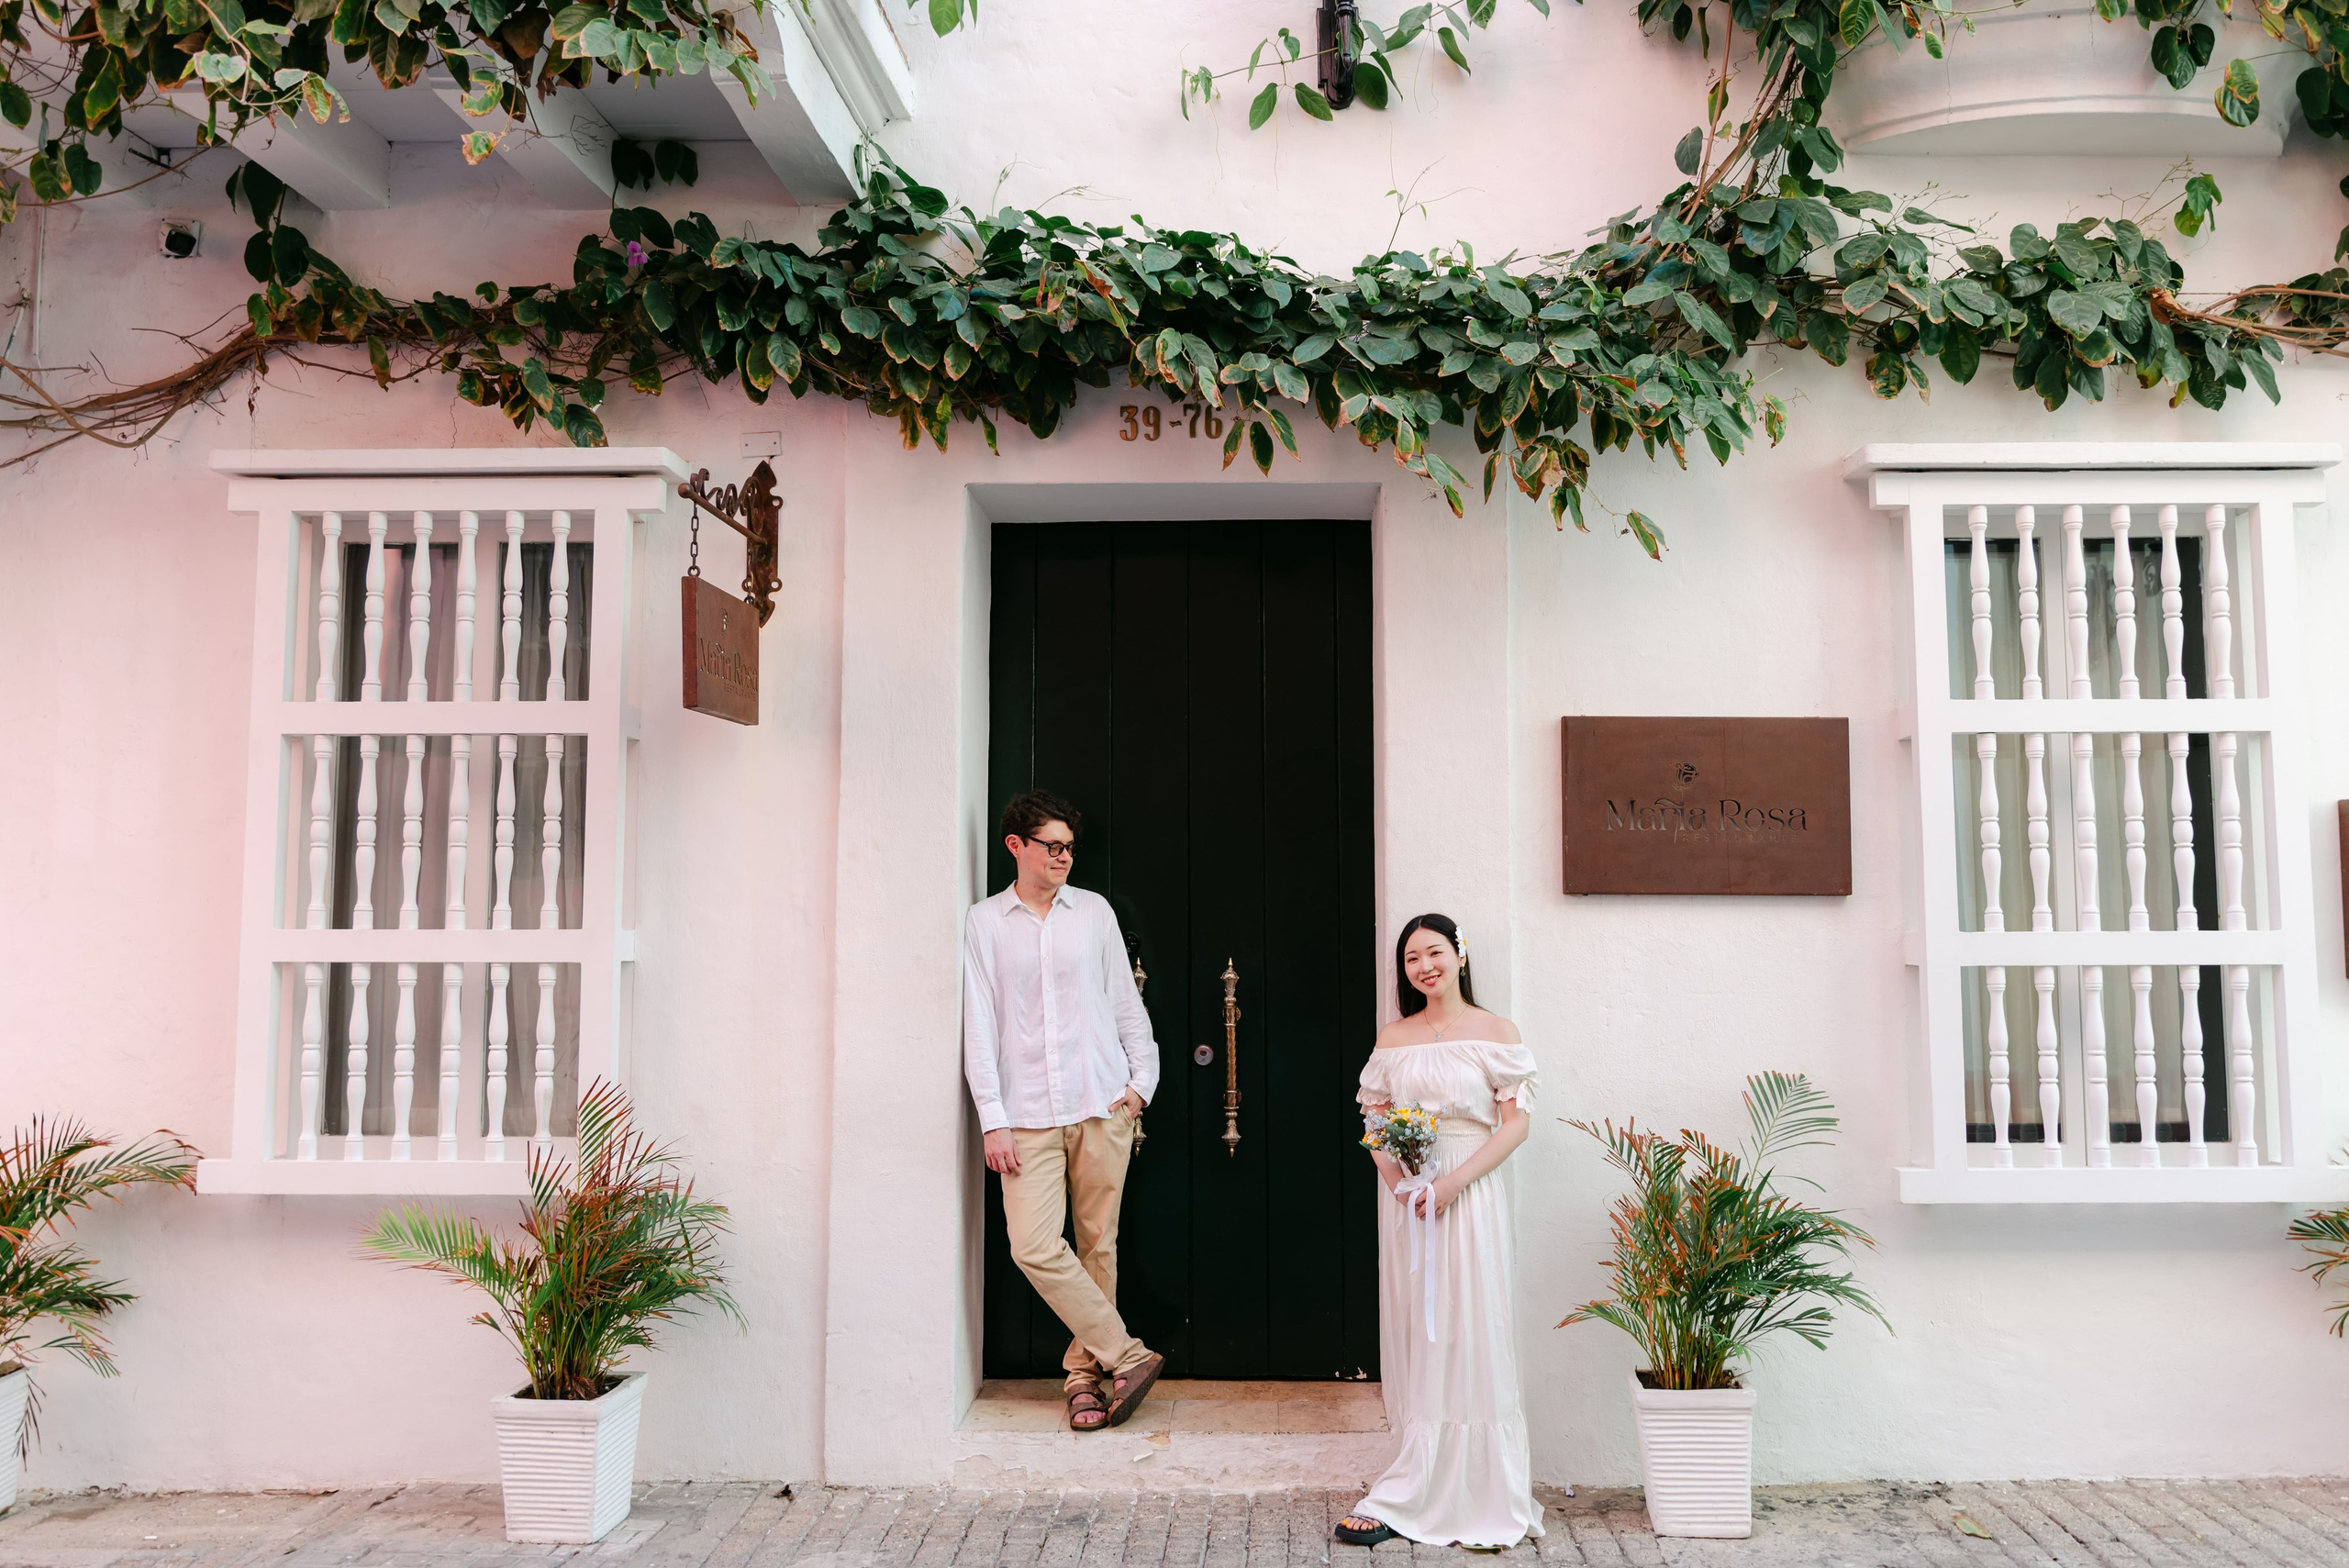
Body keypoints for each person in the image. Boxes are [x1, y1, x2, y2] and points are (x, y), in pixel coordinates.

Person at [1334, 913, 1544, 1550]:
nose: (1424, 966)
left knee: (1474, 1325)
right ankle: (1416, 1480)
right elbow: (1374, 1120)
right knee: (1423, 1330)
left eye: (1434, 952)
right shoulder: (1394, 1036)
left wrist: (1454, 1184)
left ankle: (1486, 1490)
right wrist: (1401, 1184)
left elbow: (1514, 1125)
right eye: (1411, 958)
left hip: (1470, 1194)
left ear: (1459, 954)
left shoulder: (1495, 1031)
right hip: (1414, 1202)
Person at [963, 789, 1167, 1432]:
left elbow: (1123, 1002)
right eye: (1052, 846)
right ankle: (1128, 1354)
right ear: (1015, 846)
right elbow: (979, 1022)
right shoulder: (985, 923)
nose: (1064, 857)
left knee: (1097, 1244)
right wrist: (991, 1117)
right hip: (1025, 1113)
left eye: (1070, 848)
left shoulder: (1094, 913)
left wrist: (1142, 1083)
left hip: (1101, 1100)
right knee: (1033, 1244)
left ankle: (1086, 1379)